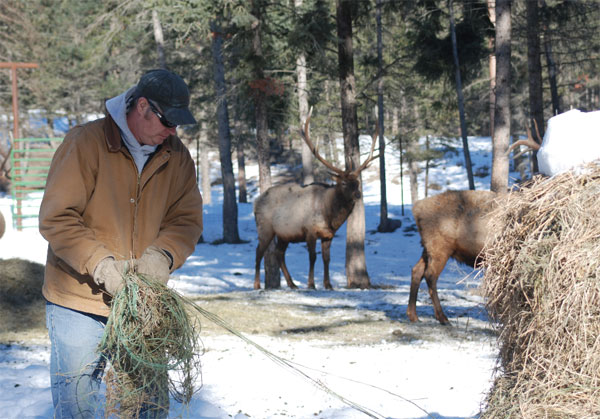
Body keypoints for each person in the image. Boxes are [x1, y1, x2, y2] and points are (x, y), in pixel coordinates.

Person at [39, 69, 203, 418]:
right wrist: (100, 264)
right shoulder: (85, 143)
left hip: (142, 305)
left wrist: (163, 254)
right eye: (167, 120)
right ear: (142, 106)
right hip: (79, 300)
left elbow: (185, 220)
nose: (173, 131)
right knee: (77, 406)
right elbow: (58, 217)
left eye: (178, 123)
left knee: (149, 406)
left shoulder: (177, 156)